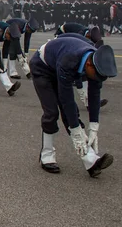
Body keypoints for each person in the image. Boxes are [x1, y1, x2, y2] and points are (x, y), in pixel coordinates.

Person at [31, 36, 116, 177]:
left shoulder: (96, 63)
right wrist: (76, 132)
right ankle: (47, 155)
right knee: (52, 112)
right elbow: (67, 100)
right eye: (98, 77)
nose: (99, 80)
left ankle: (91, 160)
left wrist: (94, 127)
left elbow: (94, 96)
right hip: (42, 68)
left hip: (58, 64)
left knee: (72, 114)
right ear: (89, 65)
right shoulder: (69, 60)